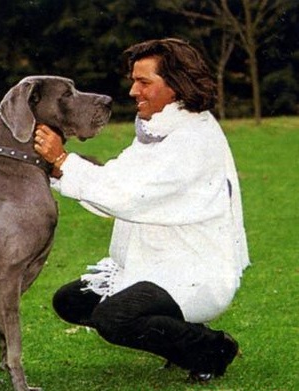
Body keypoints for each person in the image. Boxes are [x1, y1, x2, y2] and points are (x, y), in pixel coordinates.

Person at [34, 38, 249, 382]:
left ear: (177, 86)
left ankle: (211, 348)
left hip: (195, 272)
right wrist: (60, 170)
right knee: (70, 301)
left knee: (114, 319)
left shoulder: (192, 140)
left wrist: (62, 160)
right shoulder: (161, 128)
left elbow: (128, 198)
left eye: (144, 82)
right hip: (153, 267)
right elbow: (115, 180)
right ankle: (178, 337)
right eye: (134, 80)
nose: (133, 90)